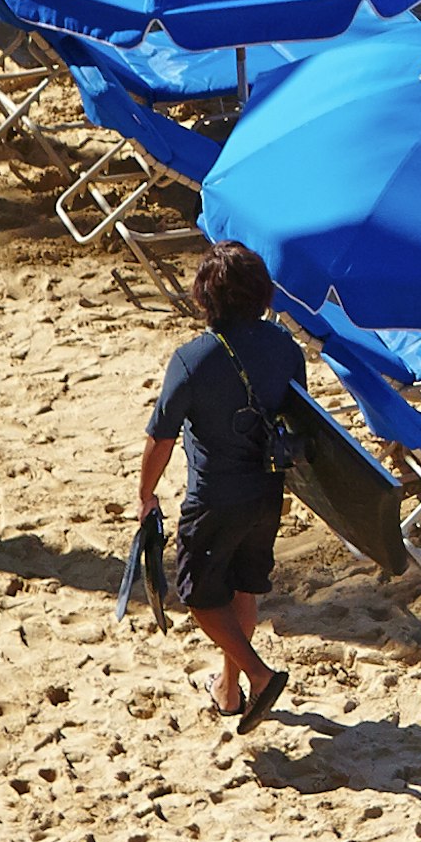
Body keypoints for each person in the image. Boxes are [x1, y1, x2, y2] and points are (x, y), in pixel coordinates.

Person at [136, 237, 310, 725]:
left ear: (205, 298)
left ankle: (257, 675)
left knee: (201, 597)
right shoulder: (285, 348)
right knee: (243, 589)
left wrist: (146, 494)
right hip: (267, 493)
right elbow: (299, 418)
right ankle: (229, 689)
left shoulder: (193, 359)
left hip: (216, 498)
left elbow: (162, 438)